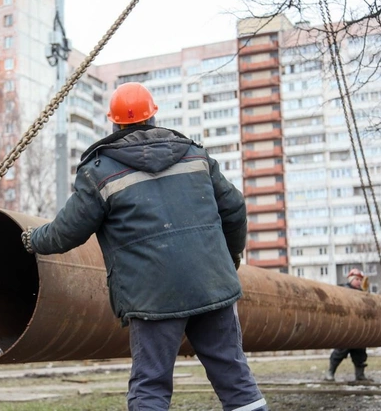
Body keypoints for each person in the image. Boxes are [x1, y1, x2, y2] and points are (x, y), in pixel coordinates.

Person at [21, 82, 268, 411]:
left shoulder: (100, 173)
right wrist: (229, 259)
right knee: (235, 377)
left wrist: (29, 239)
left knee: (151, 384)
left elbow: (66, 233)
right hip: (213, 285)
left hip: (153, 296)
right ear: (153, 117)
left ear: (115, 123)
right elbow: (234, 209)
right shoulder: (196, 156)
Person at [325, 268, 374, 382]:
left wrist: (366, 292)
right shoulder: (344, 290)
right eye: (356, 279)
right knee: (340, 351)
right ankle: (330, 372)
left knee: (360, 353)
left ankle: (360, 375)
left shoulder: (362, 292)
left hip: (359, 328)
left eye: (360, 279)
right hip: (347, 328)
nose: (359, 281)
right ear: (351, 279)